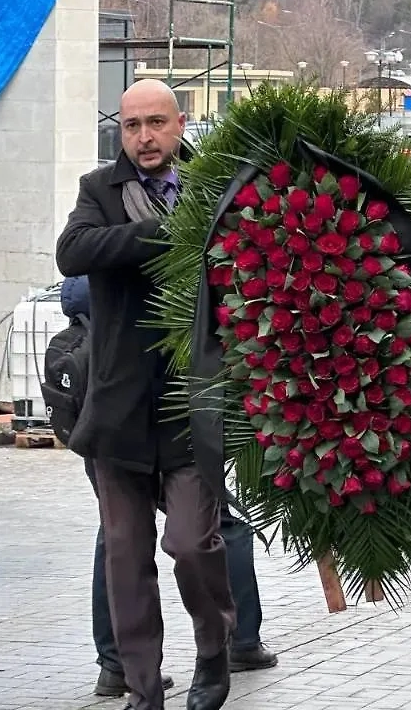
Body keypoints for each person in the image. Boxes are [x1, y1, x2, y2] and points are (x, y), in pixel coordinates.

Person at [56, 78, 235, 710]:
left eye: (156, 122)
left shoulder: (217, 188)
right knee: (126, 557)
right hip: (117, 407)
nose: (144, 137)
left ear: (180, 123)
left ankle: (215, 650)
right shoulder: (98, 190)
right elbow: (72, 252)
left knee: (191, 543)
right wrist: (169, 236)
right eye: (132, 126)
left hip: (191, 405)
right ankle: (141, 687)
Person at [59, 276, 278, 698]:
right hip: (118, 417)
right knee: (122, 547)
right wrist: (150, 245)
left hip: (187, 416)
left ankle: (222, 645)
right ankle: (132, 679)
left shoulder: (203, 214)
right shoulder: (109, 210)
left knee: (196, 539)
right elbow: (75, 271)